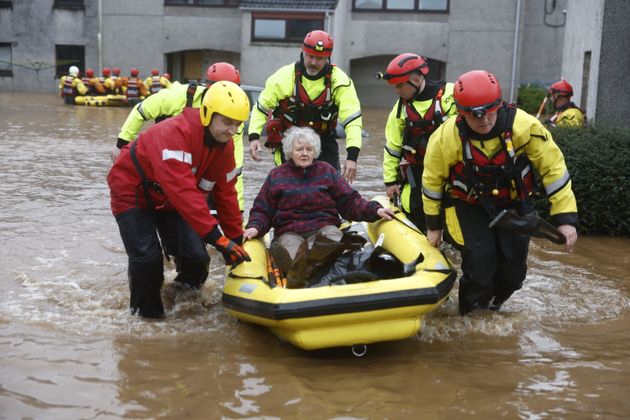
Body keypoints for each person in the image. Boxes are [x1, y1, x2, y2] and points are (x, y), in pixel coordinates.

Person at [421, 70, 578, 315]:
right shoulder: (446, 137)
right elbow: (432, 181)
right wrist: (433, 225)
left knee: (513, 275)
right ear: (462, 113)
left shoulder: (524, 126)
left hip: (514, 206)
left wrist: (566, 219)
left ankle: (493, 308)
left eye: (488, 112)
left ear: (499, 105)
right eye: (474, 115)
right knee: (480, 263)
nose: (483, 120)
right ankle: (472, 317)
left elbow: (554, 170)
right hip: (470, 206)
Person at [107, 81, 251, 319]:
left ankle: (180, 300)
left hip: (169, 199)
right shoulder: (174, 133)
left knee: (196, 257)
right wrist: (217, 238)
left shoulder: (224, 150)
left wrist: (234, 242)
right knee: (147, 260)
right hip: (132, 191)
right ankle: (146, 319)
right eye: (227, 122)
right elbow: (184, 192)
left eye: (238, 124)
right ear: (207, 114)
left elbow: (227, 197)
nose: (232, 131)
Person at [243, 126, 394, 288]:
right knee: (295, 256)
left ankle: (325, 275)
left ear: (315, 151)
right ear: (289, 152)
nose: (304, 153)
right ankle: (310, 278)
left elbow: (350, 201)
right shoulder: (276, 175)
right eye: (299, 149)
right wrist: (255, 227)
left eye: (309, 149)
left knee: (334, 241)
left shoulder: (326, 171)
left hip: (324, 228)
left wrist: (375, 209)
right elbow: (263, 209)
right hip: (290, 232)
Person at [113, 62, 247, 211]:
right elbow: (141, 111)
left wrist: (239, 210)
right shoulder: (179, 95)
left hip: (195, 169)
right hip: (163, 159)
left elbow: (235, 171)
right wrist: (121, 145)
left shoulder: (232, 123)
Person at [247, 30, 363, 183]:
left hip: (323, 141)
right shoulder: (283, 77)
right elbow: (262, 108)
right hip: (289, 141)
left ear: (328, 57)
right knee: (289, 188)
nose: (314, 62)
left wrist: (352, 157)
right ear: (303, 52)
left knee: (332, 186)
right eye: (310, 56)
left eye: (319, 58)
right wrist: (254, 137)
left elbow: (352, 120)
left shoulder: (339, 81)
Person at [378, 53, 457, 230]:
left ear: (415, 79)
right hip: (417, 173)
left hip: (450, 173)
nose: (396, 91)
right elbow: (392, 147)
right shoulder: (399, 110)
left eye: (399, 85)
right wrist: (390, 182)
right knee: (415, 211)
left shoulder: (450, 95)